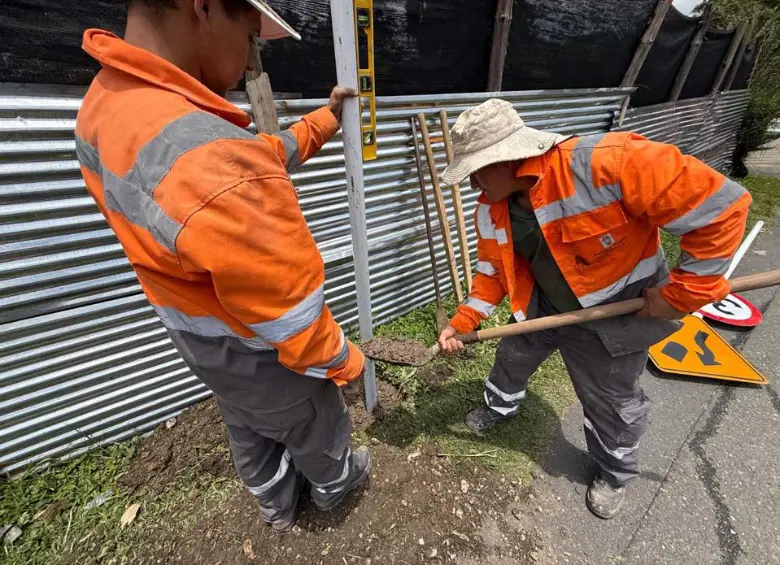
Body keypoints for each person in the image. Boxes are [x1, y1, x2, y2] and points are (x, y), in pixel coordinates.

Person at [75, 0, 371, 532]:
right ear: (205, 7)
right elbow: (294, 318)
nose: (251, 59)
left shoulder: (105, 107)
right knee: (317, 423)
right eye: (251, 36)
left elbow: (252, 157)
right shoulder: (212, 157)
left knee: (248, 429)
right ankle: (335, 487)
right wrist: (343, 364)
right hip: (265, 359)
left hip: (205, 349)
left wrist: (324, 119)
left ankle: (276, 508)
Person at [437, 99, 751, 519]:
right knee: (510, 359)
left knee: (611, 402)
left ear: (507, 158)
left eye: (476, 169)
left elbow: (723, 207)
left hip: (615, 314)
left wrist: (682, 295)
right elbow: (493, 272)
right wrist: (463, 322)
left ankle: (615, 472)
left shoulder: (608, 163)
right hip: (542, 308)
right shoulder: (490, 207)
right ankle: (499, 407)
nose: (473, 183)